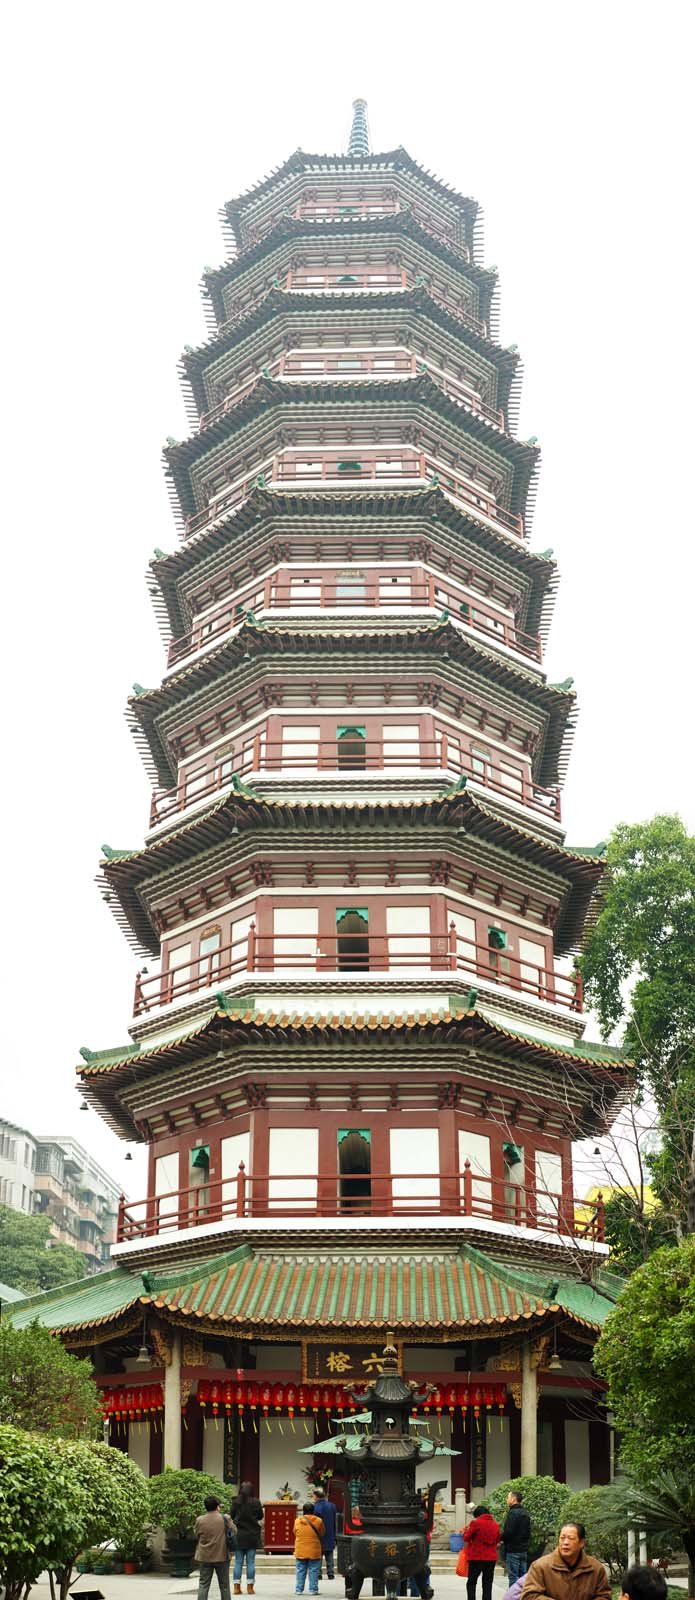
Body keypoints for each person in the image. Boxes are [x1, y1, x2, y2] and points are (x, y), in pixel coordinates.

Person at [523, 1522, 611, 1600]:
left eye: (571, 1538)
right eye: (562, 1538)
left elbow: (604, 1596)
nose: (565, 1542)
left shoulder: (595, 1568)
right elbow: (529, 1596)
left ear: (582, 1543)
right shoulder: (540, 1566)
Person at [194, 1494, 233, 1600]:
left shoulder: (200, 1520)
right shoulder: (225, 1519)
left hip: (204, 1556)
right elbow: (234, 1532)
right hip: (222, 1555)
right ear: (217, 1506)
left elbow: (196, 1534)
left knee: (203, 1584)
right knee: (224, 1586)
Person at [230, 1481, 263, 1596]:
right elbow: (260, 1516)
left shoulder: (235, 1501)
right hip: (252, 1534)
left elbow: (231, 1515)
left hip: (239, 1534)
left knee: (238, 1562)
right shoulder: (256, 1502)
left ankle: (236, 1588)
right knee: (251, 1562)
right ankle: (250, 1588)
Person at [463, 1505, 501, 1600]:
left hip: (476, 1556)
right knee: (487, 1582)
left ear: (478, 1515)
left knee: (472, 1581)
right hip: (491, 1558)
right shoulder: (496, 1524)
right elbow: (497, 1540)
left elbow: (466, 1537)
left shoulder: (475, 1523)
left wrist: (466, 1532)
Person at [294, 1500, 325, 1597]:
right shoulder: (319, 1521)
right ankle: (313, 1589)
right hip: (314, 1549)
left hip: (301, 1549)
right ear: (313, 1511)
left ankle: (299, 1589)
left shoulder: (297, 1521)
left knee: (300, 1570)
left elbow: (294, 1532)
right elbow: (322, 1533)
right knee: (314, 1570)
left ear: (303, 1511)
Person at [501, 1490, 531, 1583]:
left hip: (513, 1549)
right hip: (523, 1549)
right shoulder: (525, 1513)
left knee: (513, 1577)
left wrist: (501, 1538)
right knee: (523, 1577)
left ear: (513, 1499)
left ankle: (513, 1597)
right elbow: (528, 1532)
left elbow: (509, 1532)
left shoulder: (513, 1513)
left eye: (508, 1497)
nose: (507, 1500)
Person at [314, 1487, 338, 1579]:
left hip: (319, 1534)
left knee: (318, 1555)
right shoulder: (332, 1506)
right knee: (329, 1554)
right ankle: (330, 1573)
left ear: (316, 1496)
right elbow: (335, 1521)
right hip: (330, 1533)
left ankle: (319, 1573)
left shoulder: (315, 1506)